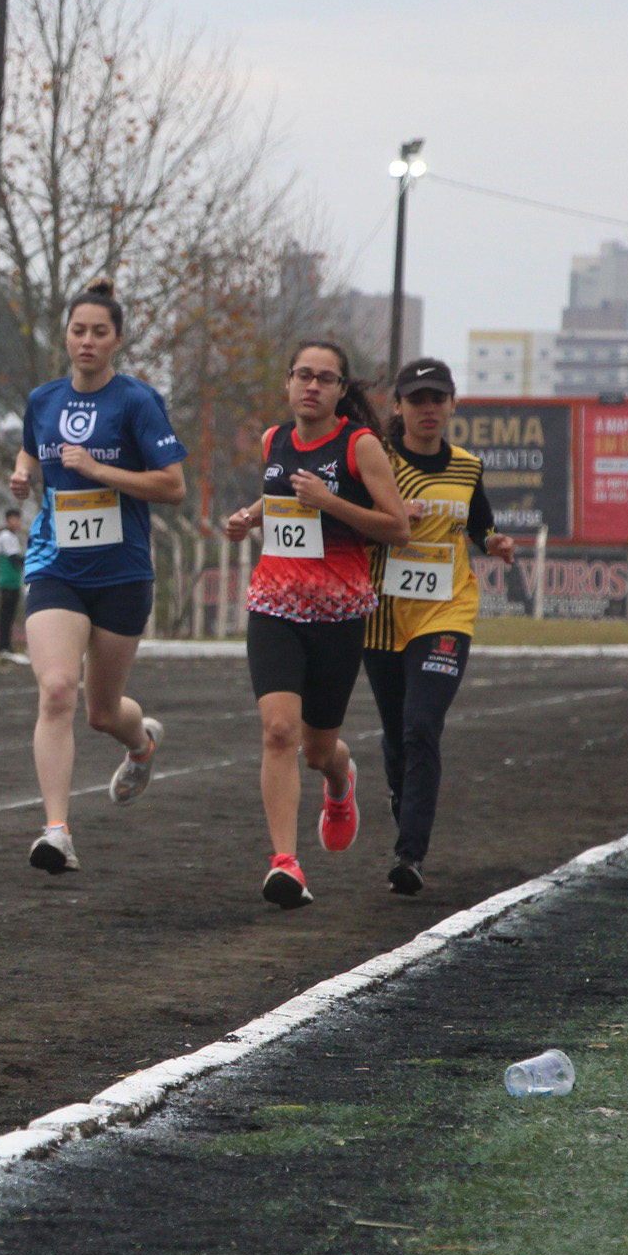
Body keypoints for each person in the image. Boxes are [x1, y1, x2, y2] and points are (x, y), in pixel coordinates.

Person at [8, 278, 188, 875]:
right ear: (65, 335)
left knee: (102, 711)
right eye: (78, 330)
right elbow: (35, 451)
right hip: (56, 563)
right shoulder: (44, 398)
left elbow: (172, 486)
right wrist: (20, 472)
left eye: (99, 332)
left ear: (117, 340)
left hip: (122, 572)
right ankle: (56, 831)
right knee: (57, 689)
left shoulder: (137, 402)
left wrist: (102, 471)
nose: (87, 341)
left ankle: (141, 744)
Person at [224, 341, 409, 909]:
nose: (312, 386)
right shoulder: (274, 440)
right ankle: (286, 862)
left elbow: (396, 528)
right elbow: (279, 495)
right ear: (288, 382)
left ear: (341, 391)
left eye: (325, 379)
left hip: (338, 613)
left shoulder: (360, 446)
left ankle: (340, 778)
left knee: (316, 748)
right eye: (303, 375)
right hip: (274, 606)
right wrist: (248, 516)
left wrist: (331, 501)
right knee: (279, 730)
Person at [362, 359, 516, 894]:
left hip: (446, 610)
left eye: (437, 399)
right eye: (417, 399)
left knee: (421, 723)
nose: (428, 409)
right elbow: (352, 523)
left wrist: (494, 541)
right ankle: (403, 801)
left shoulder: (467, 468)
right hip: (382, 617)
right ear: (398, 407)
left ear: (452, 405)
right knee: (396, 733)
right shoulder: (377, 461)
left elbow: (480, 524)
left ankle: (410, 855)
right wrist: (392, 515)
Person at [0, 507, 26, 658]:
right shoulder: (6, 536)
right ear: (9, 519)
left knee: (10, 615)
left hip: (13, 581)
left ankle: (7, 645)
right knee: (6, 615)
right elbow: (14, 559)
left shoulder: (12, 537)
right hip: (7, 581)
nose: (19, 522)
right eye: (16, 519)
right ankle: (3, 646)